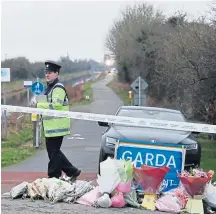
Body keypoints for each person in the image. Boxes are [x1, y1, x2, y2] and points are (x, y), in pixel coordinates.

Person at [35, 61, 81, 181]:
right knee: (53, 152)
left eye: (50, 72)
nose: (47, 75)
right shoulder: (49, 87)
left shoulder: (58, 88)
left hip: (58, 126)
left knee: (54, 152)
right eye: (46, 72)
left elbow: (56, 105)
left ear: (56, 73)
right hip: (50, 127)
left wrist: (40, 105)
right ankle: (72, 171)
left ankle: (54, 175)